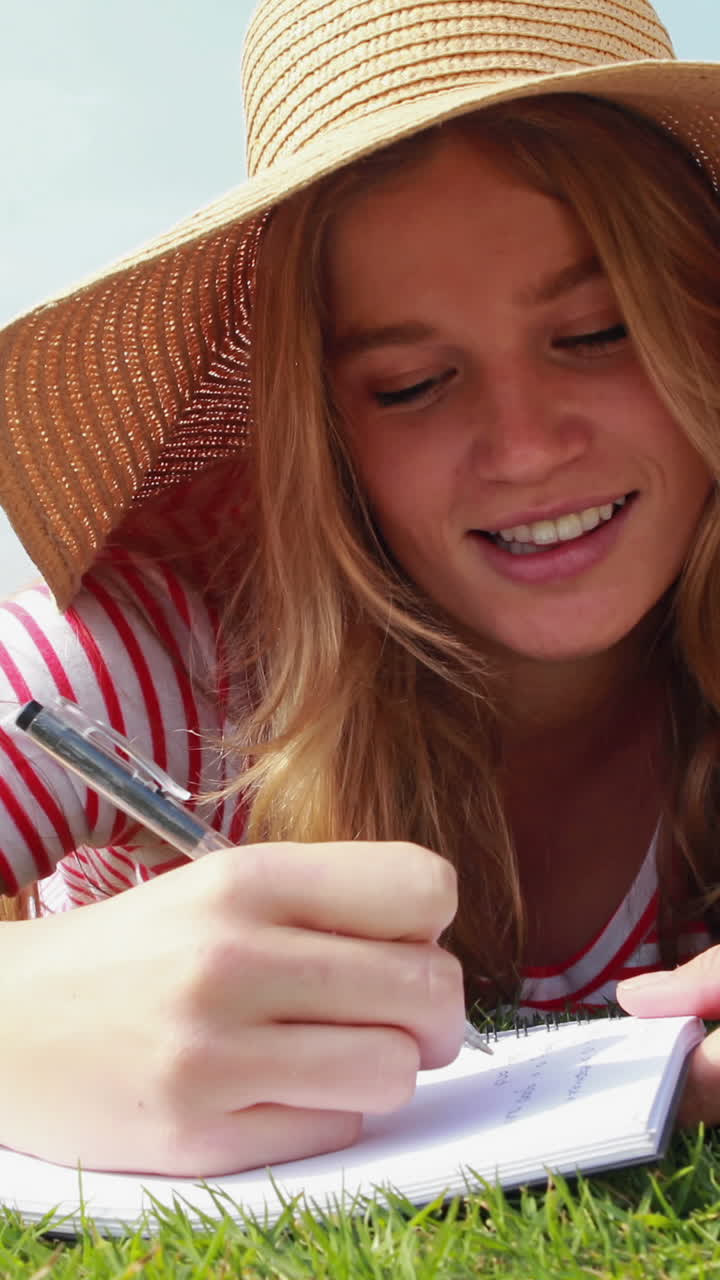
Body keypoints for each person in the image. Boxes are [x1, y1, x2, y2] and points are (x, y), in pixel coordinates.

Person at [0, 0, 719, 1177]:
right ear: (325, 428)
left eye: (596, 332)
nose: (525, 445)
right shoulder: (159, 645)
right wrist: (16, 1021)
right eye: (414, 382)